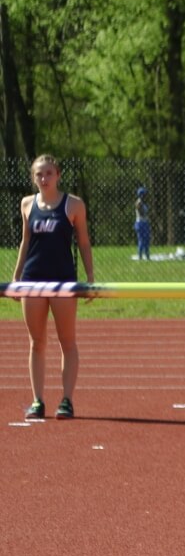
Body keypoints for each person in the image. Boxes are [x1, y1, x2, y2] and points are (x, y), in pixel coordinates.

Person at [11, 154, 95, 420]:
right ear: (33, 178)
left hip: (63, 282)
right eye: (39, 174)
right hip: (33, 280)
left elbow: (83, 242)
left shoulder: (74, 205)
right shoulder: (26, 204)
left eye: (49, 173)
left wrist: (90, 278)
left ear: (58, 175)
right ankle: (37, 401)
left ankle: (67, 400)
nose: (44, 179)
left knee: (67, 341)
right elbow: (26, 242)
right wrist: (16, 278)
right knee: (36, 342)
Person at [134, 186, 151, 261]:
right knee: (141, 240)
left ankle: (147, 255)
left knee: (147, 239)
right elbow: (142, 213)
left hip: (145, 222)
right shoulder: (139, 203)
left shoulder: (143, 203)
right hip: (141, 223)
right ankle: (140, 256)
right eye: (144, 194)